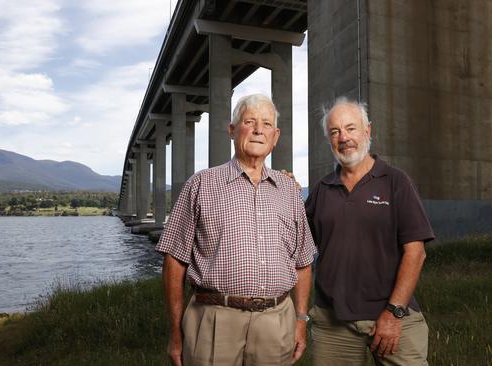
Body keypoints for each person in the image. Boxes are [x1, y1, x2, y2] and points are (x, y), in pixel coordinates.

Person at [156, 93, 316, 366]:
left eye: (266, 124)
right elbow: (174, 260)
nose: (257, 130)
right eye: (249, 121)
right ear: (232, 130)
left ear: (275, 137)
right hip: (214, 322)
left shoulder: (290, 190)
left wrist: (301, 319)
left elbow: (302, 262)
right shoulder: (201, 185)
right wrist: (175, 331)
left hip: (276, 323)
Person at [305, 97, 435, 365]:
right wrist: (284, 192)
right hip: (333, 324)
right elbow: (298, 248)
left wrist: (394, 312)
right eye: (335, 131)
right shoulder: (321, 190)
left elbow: (416, 252)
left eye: (351, 128)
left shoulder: (395, 182)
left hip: (393, 318)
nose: (344, 138)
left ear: (368, 131)